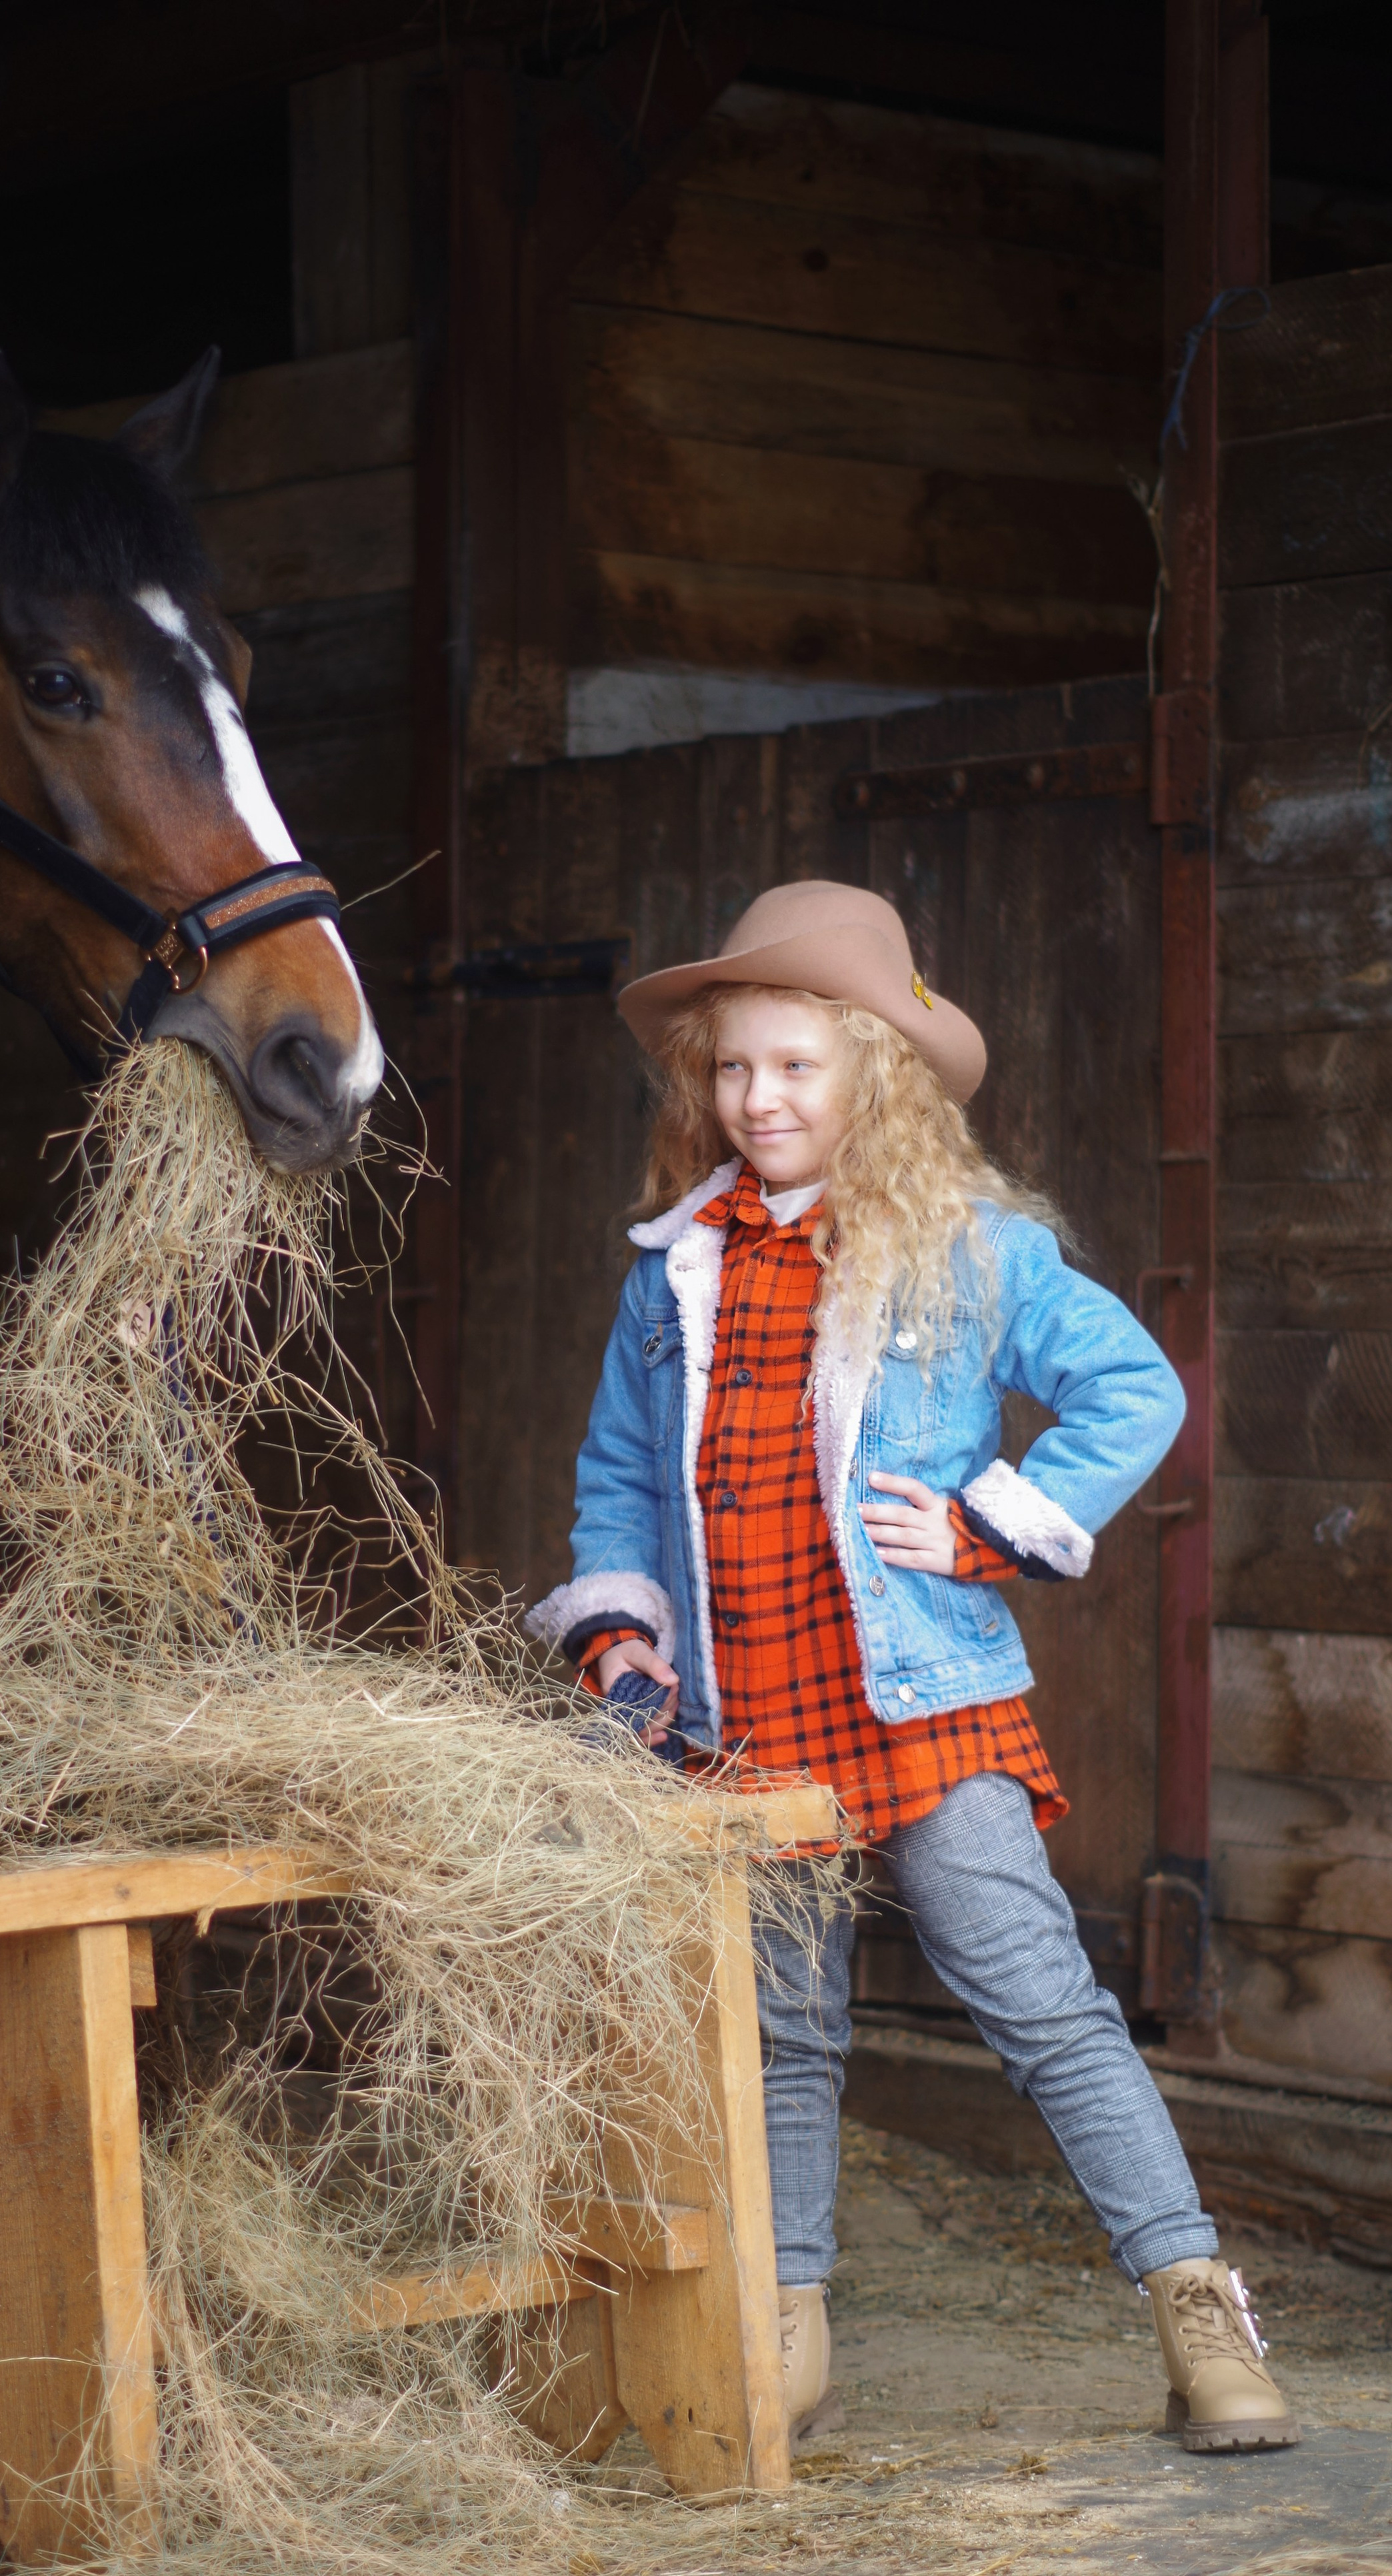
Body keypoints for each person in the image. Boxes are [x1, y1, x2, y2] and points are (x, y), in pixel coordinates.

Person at [526, 880, 1297, 2460]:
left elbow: (1131, 1387)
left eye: (795, 1066)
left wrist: (982, 1525)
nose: (758, 1098)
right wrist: (618, 1629)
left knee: (1043, 2006)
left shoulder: (963, 1251)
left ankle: (1195, 2310)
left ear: (869, 1074)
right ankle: (786, 2328)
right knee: (786, 2033)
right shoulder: (669, 1274)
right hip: (739, 1719)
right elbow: (616, 1475)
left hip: (920, 1705)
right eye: (732, 1069)